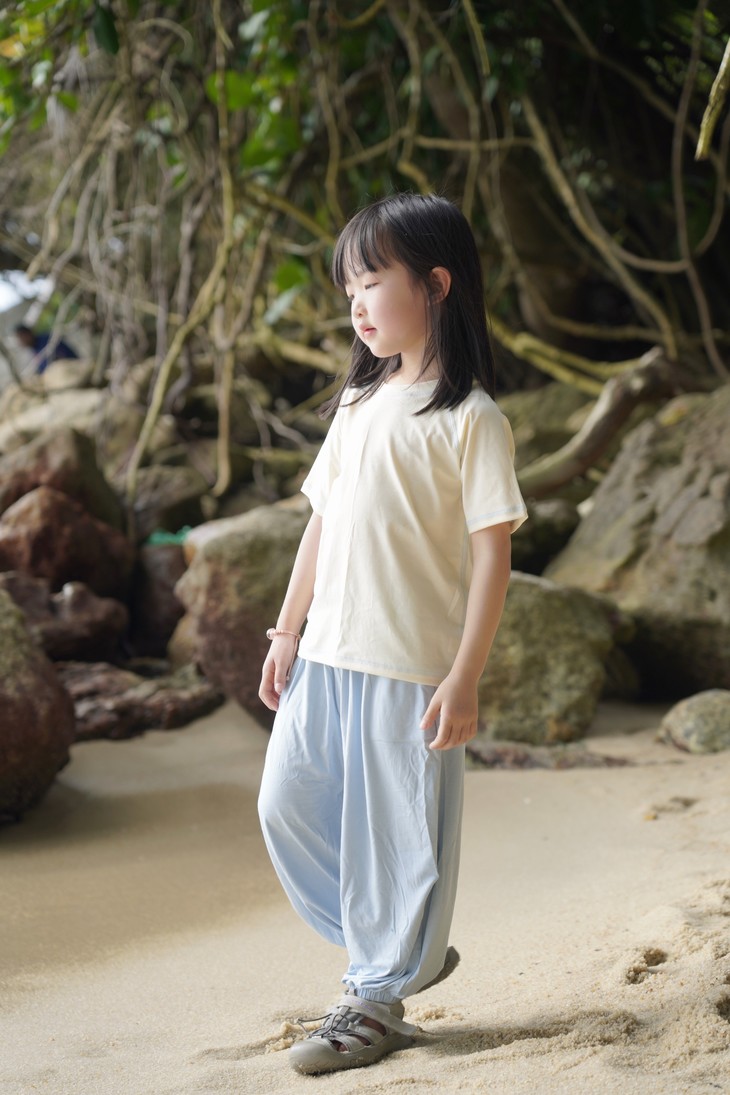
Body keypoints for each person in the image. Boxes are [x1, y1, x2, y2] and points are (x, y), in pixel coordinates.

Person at [257, 192, 527, 1075]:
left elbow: (493, 557)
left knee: (396, 831)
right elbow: (321, 523)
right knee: (284, 805)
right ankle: (402, 946)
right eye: (349, 292)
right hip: (326, 652)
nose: (357, 306)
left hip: (410, 664)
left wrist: (465, 673)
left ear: (436, 285)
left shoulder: (471, 418)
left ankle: (377, 992)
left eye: (371, 283)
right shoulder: (359, 401)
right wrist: (286, 630)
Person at [14, 324, 78, 374]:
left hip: (72, 369)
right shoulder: (34, 349)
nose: (20, 342)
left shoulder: (47, 340)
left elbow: (62, 359)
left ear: (28, 334)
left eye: (21, 338)